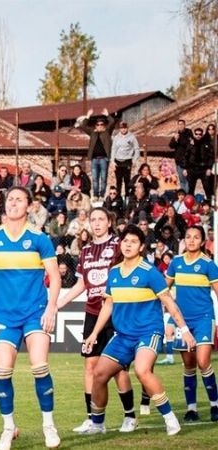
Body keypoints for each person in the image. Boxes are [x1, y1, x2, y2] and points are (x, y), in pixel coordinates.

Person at [82, 224, 195, 436]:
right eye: (125, 241)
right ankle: (98, 424)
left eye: (133, 242)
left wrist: (185, 329)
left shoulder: (149, 272)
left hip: (148, 332)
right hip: (123, 336)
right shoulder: (114, 272)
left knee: (142, 371)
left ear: (141, 246)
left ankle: (170, 419)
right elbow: (108, 305)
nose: (128, 245)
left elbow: (169, 302)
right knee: (98, 374)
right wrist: (94, 334)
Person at [0, 186, 61, 450]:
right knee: (2, 371)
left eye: (19, 199)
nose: (13, 203)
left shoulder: (39, 238)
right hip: (3, 314)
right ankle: (8, 427)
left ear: (29, 206)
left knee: (39, 366)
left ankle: (48, 423)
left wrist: (51, 308)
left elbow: (56, 277)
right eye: (10, 199)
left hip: (35, 312)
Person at [56, 208, 138, 433]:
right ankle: (94, 419)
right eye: (93, 219)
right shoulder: (86, 251)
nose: (97, 223)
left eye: (102, 219)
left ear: (109, 222)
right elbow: (81, 284)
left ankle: (130, 416)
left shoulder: (119, 246)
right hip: (92, 313)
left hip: (117, 313)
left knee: (119, 368)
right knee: (90, 365)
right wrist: (59, 303)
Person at [164, 226, 218, 422]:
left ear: (203, 242)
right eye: (188, 237)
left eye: (196, 237)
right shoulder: (176, 263)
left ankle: (215, 405)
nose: (192, 240)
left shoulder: (208, 264)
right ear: (184, 240)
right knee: (188, 365)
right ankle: (191, 409)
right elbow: (164, 291)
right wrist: (171, 319)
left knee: (203, 362)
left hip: (204, 318)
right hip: (182, 321)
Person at [76, 109, 116, 200]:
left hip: (104, 159)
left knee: (103, 178)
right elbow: (83, 126)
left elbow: (112, 122)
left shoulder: (107, 132)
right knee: (95, 179)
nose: (100, 126)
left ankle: (101, 196)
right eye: (98, 125)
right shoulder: (93, 133)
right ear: (95, 126)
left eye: (101, 124)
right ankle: (95, 195)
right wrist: (88, 116)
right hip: (94, 159)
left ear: (104, 125)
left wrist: (107, 115)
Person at [111, 122, 140, 197]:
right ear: (120, 129)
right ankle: (118, 196)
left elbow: (136, 149)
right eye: (122, 128)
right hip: (118, 161)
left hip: (127, 160)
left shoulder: (132, 137)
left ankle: (127, 196)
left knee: (127, 180)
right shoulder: (116, 137)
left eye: (124, 128)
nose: (123, 130)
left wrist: (134, 160)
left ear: (127, 128)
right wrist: (112, 161)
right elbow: (113, 149)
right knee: (118, 180)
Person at [168, 119, 193, 193]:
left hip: (187, 161)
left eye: (182, 124)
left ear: (184, 125)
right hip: (179, 161)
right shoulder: (177, 134)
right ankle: (184, 196)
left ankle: (188, 196)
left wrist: (179, 140)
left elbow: (188, 144)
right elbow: (171, 145)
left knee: (188, 180)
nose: (180, 126)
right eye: (179, 124)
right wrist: (175, 139)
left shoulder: (189, 133)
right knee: (182, 180)